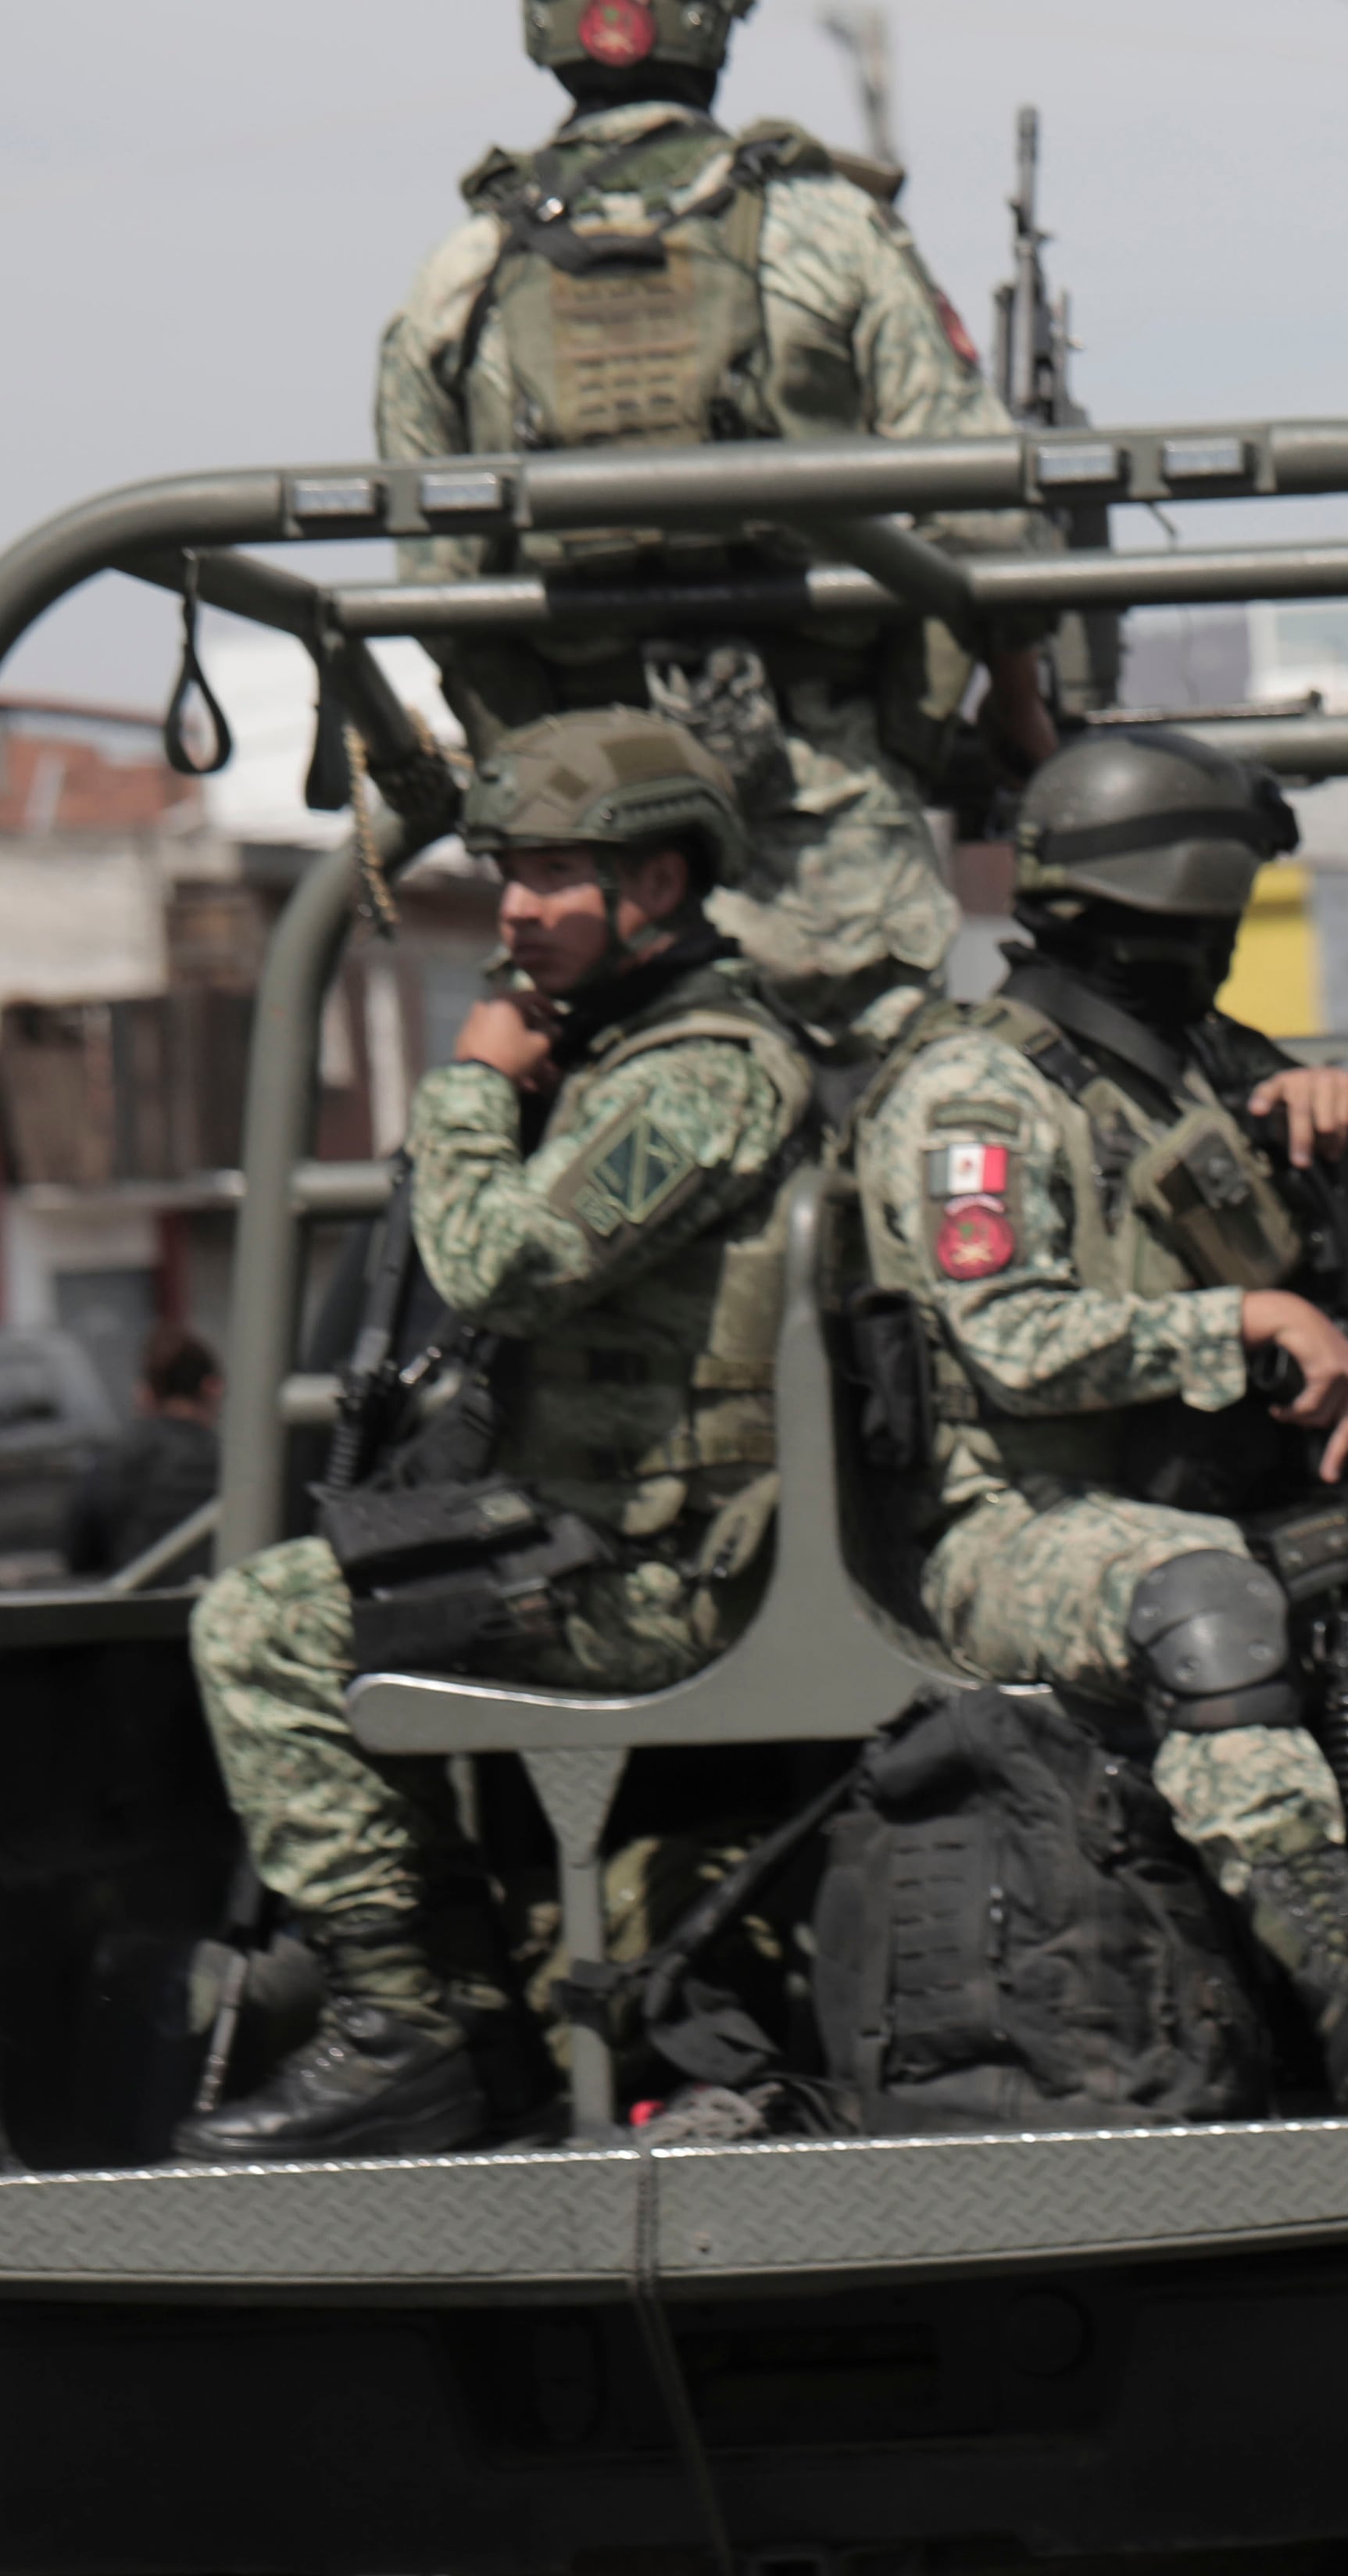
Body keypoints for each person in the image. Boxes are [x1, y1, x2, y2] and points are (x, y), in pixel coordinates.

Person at [852, 728, 1348, 2110]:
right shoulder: (974, 1093)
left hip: (1234, 1505)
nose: (1216, 951)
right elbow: (1012, 1343)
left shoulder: (1206, 1059)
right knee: (1206, 1605)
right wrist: (1245, 1324)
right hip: (1021, 1531)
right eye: (1210, 923)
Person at [182, 711, 813, 2159]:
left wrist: (469, 1082)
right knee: (307, 1595)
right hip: (599, 1532)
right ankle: (455, 2023)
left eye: (552, 878)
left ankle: (412, 2028)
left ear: (656, 884)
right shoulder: (628, 1054)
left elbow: (498, 1265)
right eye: (507, 873)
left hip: (658, 1570)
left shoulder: (703, 1071)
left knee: (260, 1628)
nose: (516, 910)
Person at [374, 0, 1055, 1054]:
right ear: (716, 31)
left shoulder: (459, 275)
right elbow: (988, 529)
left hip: (589, 879)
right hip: (831, 834)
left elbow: (439, 585)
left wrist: (532, 777)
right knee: (887, 1139)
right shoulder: (830, 230)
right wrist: (1011, 723)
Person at [64, 1325, 223, 1577]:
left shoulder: (111, 1461)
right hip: (217, 1607)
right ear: (212, 1389)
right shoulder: (236, 1464)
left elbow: (80, 1557)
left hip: (132, 1609)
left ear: (145, 1394)